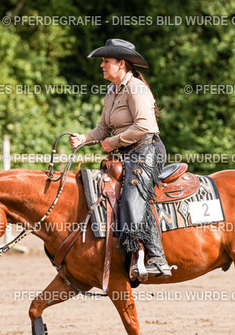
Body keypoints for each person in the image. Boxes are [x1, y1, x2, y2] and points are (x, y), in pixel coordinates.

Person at [69, 39, 172, 278]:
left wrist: (113, 142)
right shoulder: (111, 92)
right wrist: (84, 138)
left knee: (131, 198)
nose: (102, 65)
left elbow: (145, 126)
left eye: (106, 61)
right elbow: (103, 128)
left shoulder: (136, 88)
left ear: (121, 64)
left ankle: (157, 258)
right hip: (126, 154)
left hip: (147, 151)